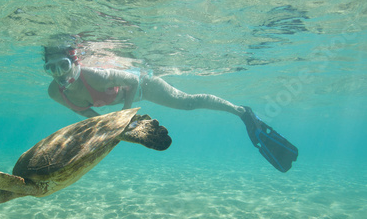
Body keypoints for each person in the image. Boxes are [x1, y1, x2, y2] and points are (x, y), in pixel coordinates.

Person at [42, 34, 298, 172]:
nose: (59, 74)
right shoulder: (56, 93)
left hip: (144, 86)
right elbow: (89, 114)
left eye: (62, 66)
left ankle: (242, 112)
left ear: (75, 62)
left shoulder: (96, 76)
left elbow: (131, 81)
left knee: (187, 103)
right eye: (50, 68)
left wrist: (125, 115)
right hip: (128, 98)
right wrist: (111, 129)